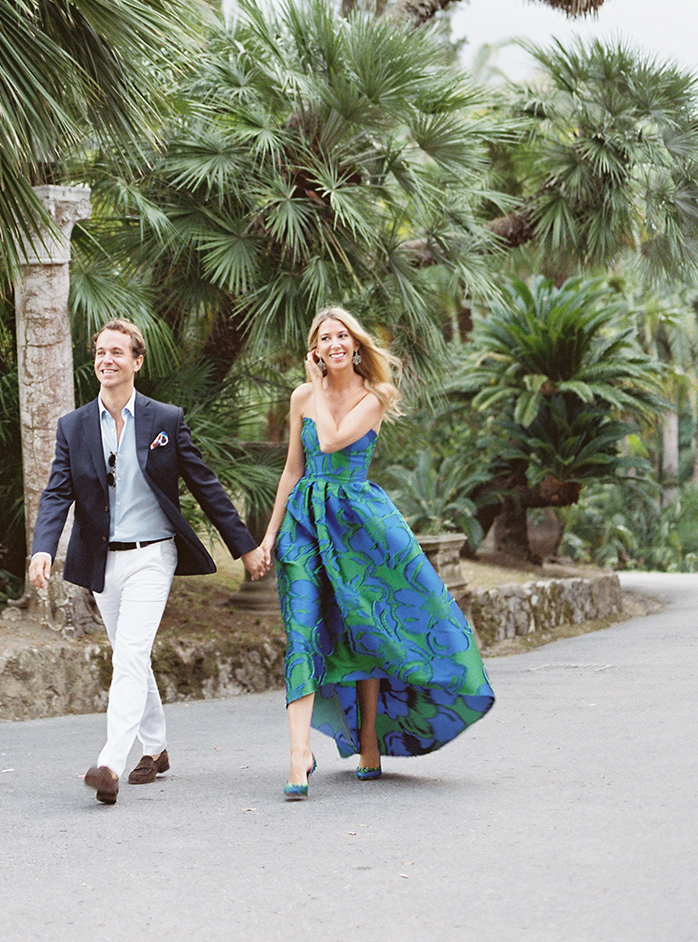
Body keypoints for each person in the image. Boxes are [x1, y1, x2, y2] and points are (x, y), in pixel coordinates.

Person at [29, 318, 268, 805]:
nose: (106, 359)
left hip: (152, 556)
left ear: (137, 361)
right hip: (101, 561)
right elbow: (57, 494)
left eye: (117, 351)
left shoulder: (165, 420)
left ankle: (109, 763)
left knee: (132, 654)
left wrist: (245, 546)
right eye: (100, 351)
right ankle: (155, 749)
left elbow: (207, 487)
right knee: (129, 656)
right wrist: (42, 548)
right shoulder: (73, 427)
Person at [260, 306, 494, 799]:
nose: (335, 343)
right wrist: (268, 537)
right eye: (325, 337)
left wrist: (316, 386)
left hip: (358, 524)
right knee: (302, 629)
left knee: (361, 628)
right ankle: (299, 753)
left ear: (356, 345)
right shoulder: (302, 396)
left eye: (342, 335)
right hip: (305, 522)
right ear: (317, 348)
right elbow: (293, 469)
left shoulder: (376, 396)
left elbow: (330, 439)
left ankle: (369, 736)